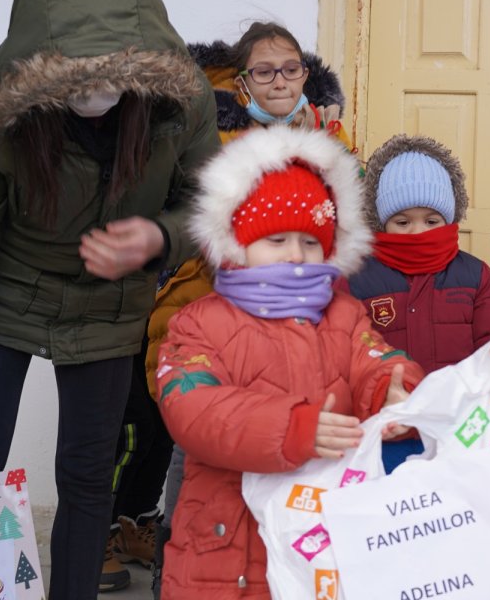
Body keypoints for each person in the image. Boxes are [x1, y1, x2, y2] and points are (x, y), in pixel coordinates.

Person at [0, 0, 220, 598]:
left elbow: (211, 204)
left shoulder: (181, 98)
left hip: (111, 301)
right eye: (77, 74)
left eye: (114, 70)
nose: (98, 88)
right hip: (6, 290)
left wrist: (159, 239)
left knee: (86, 473)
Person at [105, 21, 355, 593]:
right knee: (195, 441)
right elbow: (193, 227)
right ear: (242, 83)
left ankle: (285, 556)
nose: (280, 82)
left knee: (295, 429)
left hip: (306, 313)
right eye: (264, 72)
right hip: (217, 304)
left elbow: (344, 221)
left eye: (291, 70)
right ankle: (182, 550)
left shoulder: (333, 139)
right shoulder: (210, 142)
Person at [155, 125, 423, 599]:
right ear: (237, 243)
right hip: (227, 549)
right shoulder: (199, 324)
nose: (296, 256)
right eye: (276, 240)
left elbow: (375, 359)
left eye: (310, 241)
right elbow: (192, 409)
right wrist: (293, 429)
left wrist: (394, 391)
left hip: (321, 542)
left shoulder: (343, 315)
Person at [347, 134, 490, 470]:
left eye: (431, 220)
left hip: (459, 436)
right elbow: (343, 355)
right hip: (384, 438)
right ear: (382, 221)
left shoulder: (474, 276)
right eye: (403, 222)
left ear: (449, 219)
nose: (417, 233)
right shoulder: (357, 279)